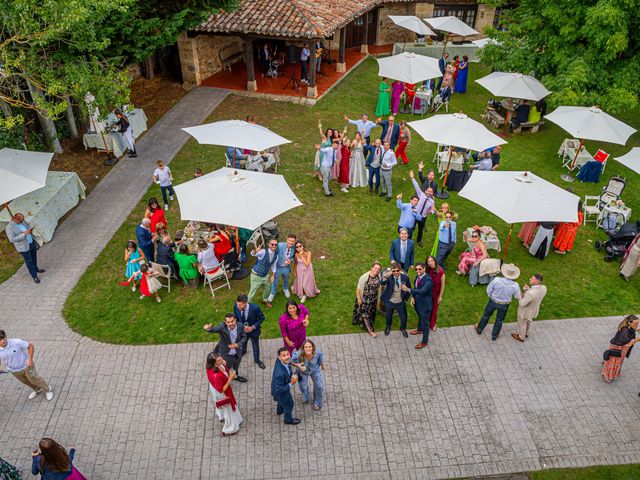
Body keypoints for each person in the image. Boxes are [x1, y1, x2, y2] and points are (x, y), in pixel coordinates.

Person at [0, 330, 53, 401]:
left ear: (6, 336)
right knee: (26, 381)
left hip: (26, 366)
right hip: (14, 371)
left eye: (3, 338)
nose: (2, 341)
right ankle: (37, 389)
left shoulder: (16, 342)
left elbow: (30, 346)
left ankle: (47, 389)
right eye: (0, 340)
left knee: (34, 379)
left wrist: (30, 359)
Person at [474, 263, 522, 341]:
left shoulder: (496, 280)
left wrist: (492, 297)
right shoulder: (515, 285)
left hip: (493, 302)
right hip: (504, 305)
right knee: (499, 320)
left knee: (486, 316)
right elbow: (517, 296)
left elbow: (488, 290)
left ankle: (479, 330)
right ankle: (494, 336)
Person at [204, 314, 248, 383]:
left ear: (235, 320)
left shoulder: (240, 326)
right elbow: (215, 329)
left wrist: (238, 344)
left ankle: (235, 376)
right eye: (228, 322)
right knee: (226, 368)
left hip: (237, 352)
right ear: (225, 322)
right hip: (226, 354)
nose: (230, 324)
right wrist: (209, 328)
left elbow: (244, 336)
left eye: (232, 321)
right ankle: (226, 380)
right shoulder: (222, 327)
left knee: (236, 366)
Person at [206, 353, 242, 436]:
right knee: (228, 409)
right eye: (219, 360)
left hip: (215, 386)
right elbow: (221, 390)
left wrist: (223, 363)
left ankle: (221, 415)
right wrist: (230, 379)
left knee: (223, 408)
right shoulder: (217, 376)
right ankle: (230, 428)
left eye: (220, 357)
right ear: (214, 363)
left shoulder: (211, 365)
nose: (221, 360)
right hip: (222, 393)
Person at [5, 212, 44, 283]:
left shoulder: (22, 221)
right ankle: (34, 276)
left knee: (34, 257)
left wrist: (29, 229)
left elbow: (28, 225)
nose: (22, 222)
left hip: (31, 242)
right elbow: (12, 239)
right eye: (21, 221)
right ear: (16, 219)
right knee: (29, 261)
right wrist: (23, 234)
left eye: (23, 220)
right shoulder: (9, 228)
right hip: (23, 247)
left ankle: (36, 268)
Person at [602, 315, 640, 383]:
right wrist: (636, 340)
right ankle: (607, 375)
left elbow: (630, 338)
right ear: (629, 322)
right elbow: (627, 342)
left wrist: (637, 331)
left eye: (638, 323)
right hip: (617, 349)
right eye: (635, 323)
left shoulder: (630, 327)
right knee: (613, 363)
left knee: (617, 362)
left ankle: (609, 368)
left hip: (622, 349)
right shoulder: (624, 331)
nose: (637, 325)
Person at [511, 273, 547, 342]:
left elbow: (522, 304)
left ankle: (521, 337)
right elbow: (535, 295)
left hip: (525, 312)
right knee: (529, 321)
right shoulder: (544, 288)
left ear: (536, 281)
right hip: (534, 309)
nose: (530, 279)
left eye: (532, 279)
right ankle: (526, 333)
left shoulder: (530, 293)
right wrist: (528, 289)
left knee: (522, 324)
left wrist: (520, 296)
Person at [233, 294, 266, 369]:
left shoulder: (255, 308)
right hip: (242, 331)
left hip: (253, 331)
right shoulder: (236, 306)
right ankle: (243, 351)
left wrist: (253, 327)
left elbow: (262, 318)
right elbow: (236, 317)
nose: (238, 307)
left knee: (255, 346)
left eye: (240, 305)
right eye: (237, 305)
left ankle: (257, 360)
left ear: (245, 303)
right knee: (243, 342)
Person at [291, 339, 325, 410]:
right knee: (304, 387)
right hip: (302, 372)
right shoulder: (298, 354)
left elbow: (320, 358)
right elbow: (290, 361)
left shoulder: (317, 353)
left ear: (313, 347)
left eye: (310, 347)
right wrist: (298, 366)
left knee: (319, 386)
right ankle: (305, 395)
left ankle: (317, 402)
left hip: (315, 370)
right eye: (306, 347)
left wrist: (322, 365)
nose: (308, 348)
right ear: (303, 348)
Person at [406, 262, 433, 349]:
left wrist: (409, 290)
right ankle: (419, 330)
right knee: (420, 317)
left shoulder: (428, 280)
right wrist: (413, 297)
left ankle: (424, 342)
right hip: (417, 302)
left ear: (424, 269)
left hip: (425, 305)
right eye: (416, 269)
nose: (417, 271)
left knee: (425, 324)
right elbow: (416, 288)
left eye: (419, 269)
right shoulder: (418, 276)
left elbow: (422, 291)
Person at [380, 261, 411, 337]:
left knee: (403, 317)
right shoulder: (390, 277)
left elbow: (409, 289)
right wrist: (386, 276)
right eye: (393, 271)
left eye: (397, 270)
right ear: (391, 271)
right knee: (388, 316)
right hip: (390, 301)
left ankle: (403, 329)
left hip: (400, 301)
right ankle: (388, 327)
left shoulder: (405, 278)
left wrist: (405, 300)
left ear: (400, 270)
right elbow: (382, 283)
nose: (396, 272)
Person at [271, 347, 300, 425]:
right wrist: (291, 383)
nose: (287, 357)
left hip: (279, 387)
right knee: (289, 404)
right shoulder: (279, 374)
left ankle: (280, 410)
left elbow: (289, 362)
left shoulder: (280, 361)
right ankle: (288, 420)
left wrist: (297, 365)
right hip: (281, 391)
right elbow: (279, 389)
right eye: (284, 355)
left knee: (281, 401)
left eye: (288, 354)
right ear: (279, 357)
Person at [353, 262, 381, 338]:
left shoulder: (378, 276)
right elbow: (358, 289)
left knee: (370, 313)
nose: (377, 270)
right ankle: (370, 331)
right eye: (375, 268)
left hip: (373, 299)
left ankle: (369, 323)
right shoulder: (364, 277)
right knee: (365, 315)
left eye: (378, 269)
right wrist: (359, 298)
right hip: (364, 299)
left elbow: (378, 287)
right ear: (371, 268)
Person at [268, 234, 297, 304]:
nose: (291, 242)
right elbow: (272, 251)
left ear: (294, 241)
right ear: (286, 239)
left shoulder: (294, 248)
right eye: (289, 240)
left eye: (292, 241)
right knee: (275, 280)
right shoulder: (280, 245)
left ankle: (285, 288)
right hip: (278, 266)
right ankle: (272, 292)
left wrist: (291, 260)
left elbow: (294, 257)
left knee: (286, 279)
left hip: (286, 267)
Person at [409, 170, 435, 246]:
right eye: (428, 191)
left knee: (420, 230)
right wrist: (412, 178)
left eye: (431, 192)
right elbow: (416, 186)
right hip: (415, 215)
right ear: (426, 191)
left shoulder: (432, 201)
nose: (429, 192)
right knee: (411, 227)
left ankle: (419, 240)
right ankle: (408, 239)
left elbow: (432, 209)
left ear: (432, 194)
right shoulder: (421, 194)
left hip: (422, 218)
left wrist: (431, 212)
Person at [248, 239, 278, 306]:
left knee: (267, 288)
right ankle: (249, 305)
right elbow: (253, 254)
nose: (274, 246)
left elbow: (274, 266)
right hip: (256, 275)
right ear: (269, 245)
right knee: (252, 291)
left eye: (276, 244)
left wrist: (273, 275)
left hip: (265, 275)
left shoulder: (276, 256)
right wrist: (256, 251)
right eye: (272, 244)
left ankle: (265, 300)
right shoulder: (263, 251)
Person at [426, 256, 445, 332]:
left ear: (435, 261)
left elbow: (443, 285)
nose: (430, 263)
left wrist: (440, 296)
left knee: (434, 309)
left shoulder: (441, 272)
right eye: (428, 261)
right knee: (428, 308)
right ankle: (427, 321)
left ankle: (433, 324)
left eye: (432, 261)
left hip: (436, 293)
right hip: (428, 292)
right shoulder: (428, 269)